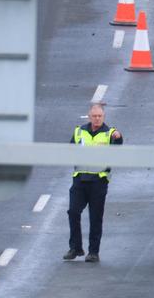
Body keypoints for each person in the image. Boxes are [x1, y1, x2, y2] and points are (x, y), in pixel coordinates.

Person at [65, 104, 123, 263]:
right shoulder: (79, 131)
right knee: (73, 212)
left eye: (100, 116)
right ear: (89, 117)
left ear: (103, 117)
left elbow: (119, 143)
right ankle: (76, 248)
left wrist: (118, 136)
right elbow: (70, 150)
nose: (97, 118)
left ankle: (93, 252)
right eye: (94, 116)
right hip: (80, 179)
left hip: (98, 181)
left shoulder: (109, 133)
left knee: (95, 218)